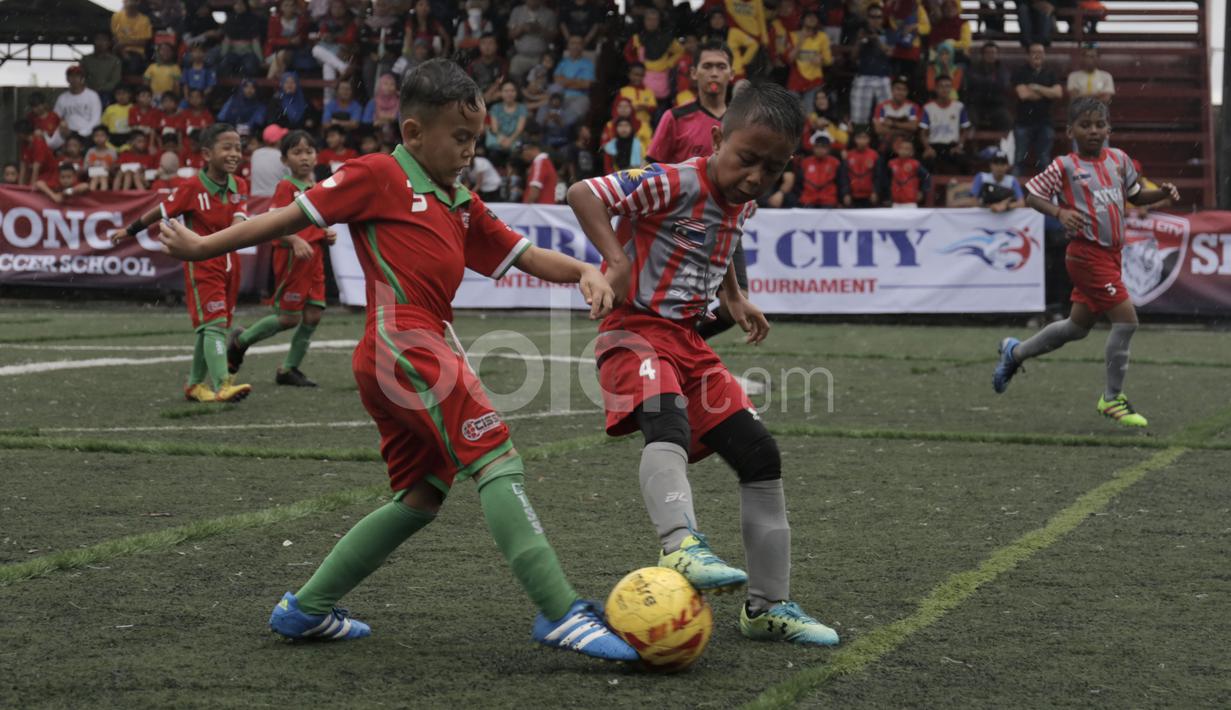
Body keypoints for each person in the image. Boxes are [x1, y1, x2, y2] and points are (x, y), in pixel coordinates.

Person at [155, 59, 638, 662]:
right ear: (412, 133)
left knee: (422, 492)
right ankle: (561, 612)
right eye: (459, 138)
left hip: (408, 349)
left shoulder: (458, 199)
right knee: (495, 456)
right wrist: (201, 244)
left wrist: (587, 271)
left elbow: (526, 254)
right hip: (402, 342)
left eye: (474, 140)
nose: (469, 151)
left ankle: (305, 609)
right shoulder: (380, 173)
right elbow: (287, 218)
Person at [566, 80, 840, 647]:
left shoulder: (744, 199)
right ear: (718, 137)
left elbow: (727, 231)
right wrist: (614, 259)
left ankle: (768, 607)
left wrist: (734, 296)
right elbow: (582, 193)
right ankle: (679, 545)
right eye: (747, 160)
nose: (757, 177)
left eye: (774, 167)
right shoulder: (672, 181)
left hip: (688, 344)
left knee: (760, 455)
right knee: (665, 422)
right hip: (633, 331)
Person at [993, 97, 1181, 427]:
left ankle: (1015, 352)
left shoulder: (1119, 160)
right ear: (1071, 131)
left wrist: (1162, 193)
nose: (1093, 131)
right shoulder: (1066, 166)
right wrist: (1059, 212)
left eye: (1099, 124)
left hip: (1111, 255)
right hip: (1086, 254)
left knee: (1075, 329)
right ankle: (1112, 399)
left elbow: (1135, 194)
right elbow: (1032, 194)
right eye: (1085, 125)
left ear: (1108, 128)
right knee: (1127, 322)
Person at [109, 122, 254, 404]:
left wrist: (237, 226)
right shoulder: (191, 188)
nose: (235, 153)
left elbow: (240, 217)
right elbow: (160, 212)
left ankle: (194, 385)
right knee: (214, 325)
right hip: (202, 263)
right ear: (207, 154)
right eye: (227, 147)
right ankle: (223, 384)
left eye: (238, 147)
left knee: (212, 326)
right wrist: (129, 230)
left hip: (230, 263)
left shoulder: (241, 185)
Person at [227, 130, 336, 388]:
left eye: (309, 151)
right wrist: (296, 240)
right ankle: (240, 341)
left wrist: (325, 233)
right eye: (297, 152)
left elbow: (316, 222)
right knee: (289, 318)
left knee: (313, 315)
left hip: (314, 258)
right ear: (285, 161)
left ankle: (289, 369)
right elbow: (273, 223)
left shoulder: (317, 188)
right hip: (292, 259)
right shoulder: (286, 187)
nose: (305, 157)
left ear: (317, 156)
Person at [1012, 43, 1062, 175]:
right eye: (1034, 52)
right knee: (1019, 158)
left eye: (1040, 52)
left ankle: (1045, 192)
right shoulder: (1020, 72)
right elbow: (1024, 95)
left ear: (1044, 55)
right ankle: (1015, 193)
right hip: (1023, 123)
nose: (1037, 55)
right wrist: (1047, 92)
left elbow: (1058, 93)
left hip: (1045, 122)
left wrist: (1036, 87)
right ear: (1028, 55)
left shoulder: (1050, 73)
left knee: (1044, 160)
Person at [850, 4, 893, 127]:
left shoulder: (888, 33)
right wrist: (859, 40)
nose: (875, 20)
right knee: (858, 118)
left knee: (887, 116)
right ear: (867, 18)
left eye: (878, 17)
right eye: (872, 17)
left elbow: (890, 53)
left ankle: (884, 144)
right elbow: (853, 57)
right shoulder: (862, 33)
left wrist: (877, 39)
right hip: (863, 76)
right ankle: (860, 139)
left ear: (882, 18)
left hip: (883, 77)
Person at [920, 75, 972, 174]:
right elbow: (923, 132)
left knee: (965, 162)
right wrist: (927, 148)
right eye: (941, 86)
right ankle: (926, 189)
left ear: (951, 89)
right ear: (936, 89)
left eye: (948, 86)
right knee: (925, 163)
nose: (945, 89)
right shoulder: (928, 108)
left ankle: (964, 189)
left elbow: (965, 129)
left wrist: (960, 146)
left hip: (952, 147)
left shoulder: (959, 106)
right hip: (934, 146)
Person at [964, 41, 1011, 131]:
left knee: (1006, 119)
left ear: (997, 55)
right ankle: (971, 144)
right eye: (988, 53)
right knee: (968, 120)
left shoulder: (1002, 69)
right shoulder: (974, 67)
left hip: (996, 106)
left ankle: (1002, 144)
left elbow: (1003, 84)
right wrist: (992, 82)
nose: (991, 55)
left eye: (993, 52)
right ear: (983, 55)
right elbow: (972, 82)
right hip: (977, 105)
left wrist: (983, 82)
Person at [51, 66, 102, 145]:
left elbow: (96, 120)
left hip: (87, 134)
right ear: (67, 79)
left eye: (77, 76)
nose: (74, 79)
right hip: (68, 134)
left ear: (82, 78)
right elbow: (55, 118)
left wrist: (82, 133)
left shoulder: (92, 95)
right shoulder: (62, 98)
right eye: (71, 76)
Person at [873, 77, 921, 152]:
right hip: (885, 148)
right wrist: (904, 130)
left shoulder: (913, 107)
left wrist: (892, 124)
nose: (900, 92)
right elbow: (879, 130)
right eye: (898, 89)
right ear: (892, 90)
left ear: (907, 92)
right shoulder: (881, 107)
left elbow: (914, 126)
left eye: (904, 90)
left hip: (906, 150)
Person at [883, 138, 929, 207]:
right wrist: (888, 195)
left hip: (910, 202)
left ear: (912, 152)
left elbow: (927, 177)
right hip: (896, 202)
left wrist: (921, 191)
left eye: (907, 149)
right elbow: (886, 180)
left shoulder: (915, 164)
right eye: (901, 148)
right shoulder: (891, 164)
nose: (903, 151)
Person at [112, 0, 153, 74]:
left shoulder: (144, 20)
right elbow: (115, 37)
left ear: (138, 2)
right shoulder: (116, 17)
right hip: (118, 50)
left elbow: (143, 42)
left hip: (136, 53)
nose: (130, 2)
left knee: (133, 67)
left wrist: (124, 43)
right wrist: (123, 52)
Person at [798, 135, 841, 208]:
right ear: (813, 148)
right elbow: (798, 183)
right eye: (817, 147)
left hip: (828, 199)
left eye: (823, 147)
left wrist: (840, 200)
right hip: (808, 199)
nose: (820, 150)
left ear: (828, 149)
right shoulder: (805, 162)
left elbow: (840, 182)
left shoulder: (835, 163)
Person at [841, 128, 879, 207]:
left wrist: (875, 192)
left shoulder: (874, 155)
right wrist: (846, 193)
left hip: (869, 196)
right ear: (855, 139)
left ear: (869, 139)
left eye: (864, 138)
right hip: (852, 196)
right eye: (859, 138)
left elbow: (878, 176)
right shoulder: (849, 155)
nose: (862, 141)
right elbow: (844, 177)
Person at [82, 33, 123, 104]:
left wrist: (100, 89)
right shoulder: (86, 59)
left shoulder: (115, 61)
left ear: (109, 44)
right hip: (88, 92)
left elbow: (115, 80)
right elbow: (81, 77)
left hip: (107, 94)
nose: (100, 43)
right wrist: (90, 89)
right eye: (98, 40)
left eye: (104, 40)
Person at [251, 124, 290, 197]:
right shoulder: (282, 156)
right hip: (274, 199)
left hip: (255, 200)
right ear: (278, 141)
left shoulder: (255, 154)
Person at [521, 137, 558, 204]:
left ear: (534, 149)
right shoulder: (545, 162)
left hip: (539, 209)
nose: (522, 154)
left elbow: (534, 191)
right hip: (544, 208)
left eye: (524, 150)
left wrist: (524, 208)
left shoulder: (540, 162)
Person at [84, 125, 118, 191]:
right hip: (92, 176)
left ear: (107, 138)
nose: (99, 138)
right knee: (95, 178)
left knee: (103, 178)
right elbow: (85, 169)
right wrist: (91, 166)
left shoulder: (112, 152)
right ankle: (93, 197)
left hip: (107, 177)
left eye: (102, 135)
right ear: (93, 138)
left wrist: (108, 168)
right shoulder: (90, 152)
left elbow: (115, 171)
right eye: (96, 135)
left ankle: (102, 197)